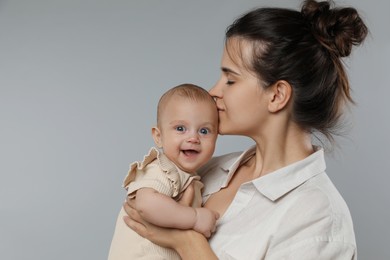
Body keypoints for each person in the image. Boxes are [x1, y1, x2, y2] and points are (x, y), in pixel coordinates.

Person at [122, 0, 368, 259]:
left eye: (230, 79)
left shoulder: (319, 219)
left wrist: (187, 242)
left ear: (277, 95)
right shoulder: (207, 168)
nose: (213, 92)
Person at [108, 83, 219, 259]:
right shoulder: (161, 168)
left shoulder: (190, 176)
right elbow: (147, 205)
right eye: (180, 128)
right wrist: (195, 217)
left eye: (204, 131)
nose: (193, 138)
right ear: (159, 136)